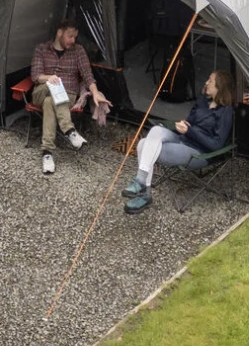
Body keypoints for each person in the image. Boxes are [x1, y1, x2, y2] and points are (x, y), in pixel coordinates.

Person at [123, 70, 235, 213]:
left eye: (210, 81)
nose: (206, 82)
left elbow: (216, 145)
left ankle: (144, 194)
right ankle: (141, 182)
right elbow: (191, 122)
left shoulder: (226, 112)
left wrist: (190, 131)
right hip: (184, 139)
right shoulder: (203, 101)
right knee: (147, 139)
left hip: (200, 153)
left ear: (220, 86)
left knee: (149, 148)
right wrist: (184, 125)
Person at [31, 20, 109, 175]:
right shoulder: (42, 49)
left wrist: (95, 92)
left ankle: (47, 153)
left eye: (75, 37)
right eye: (70, 36)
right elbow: (36, 76)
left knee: (50, 102)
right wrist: (49, 78)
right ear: (59, 33)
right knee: (50, 91)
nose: (73, 40)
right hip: (42, 91)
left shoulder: (78, 51)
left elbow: (87, 75)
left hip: (67, 95)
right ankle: (70, 131)